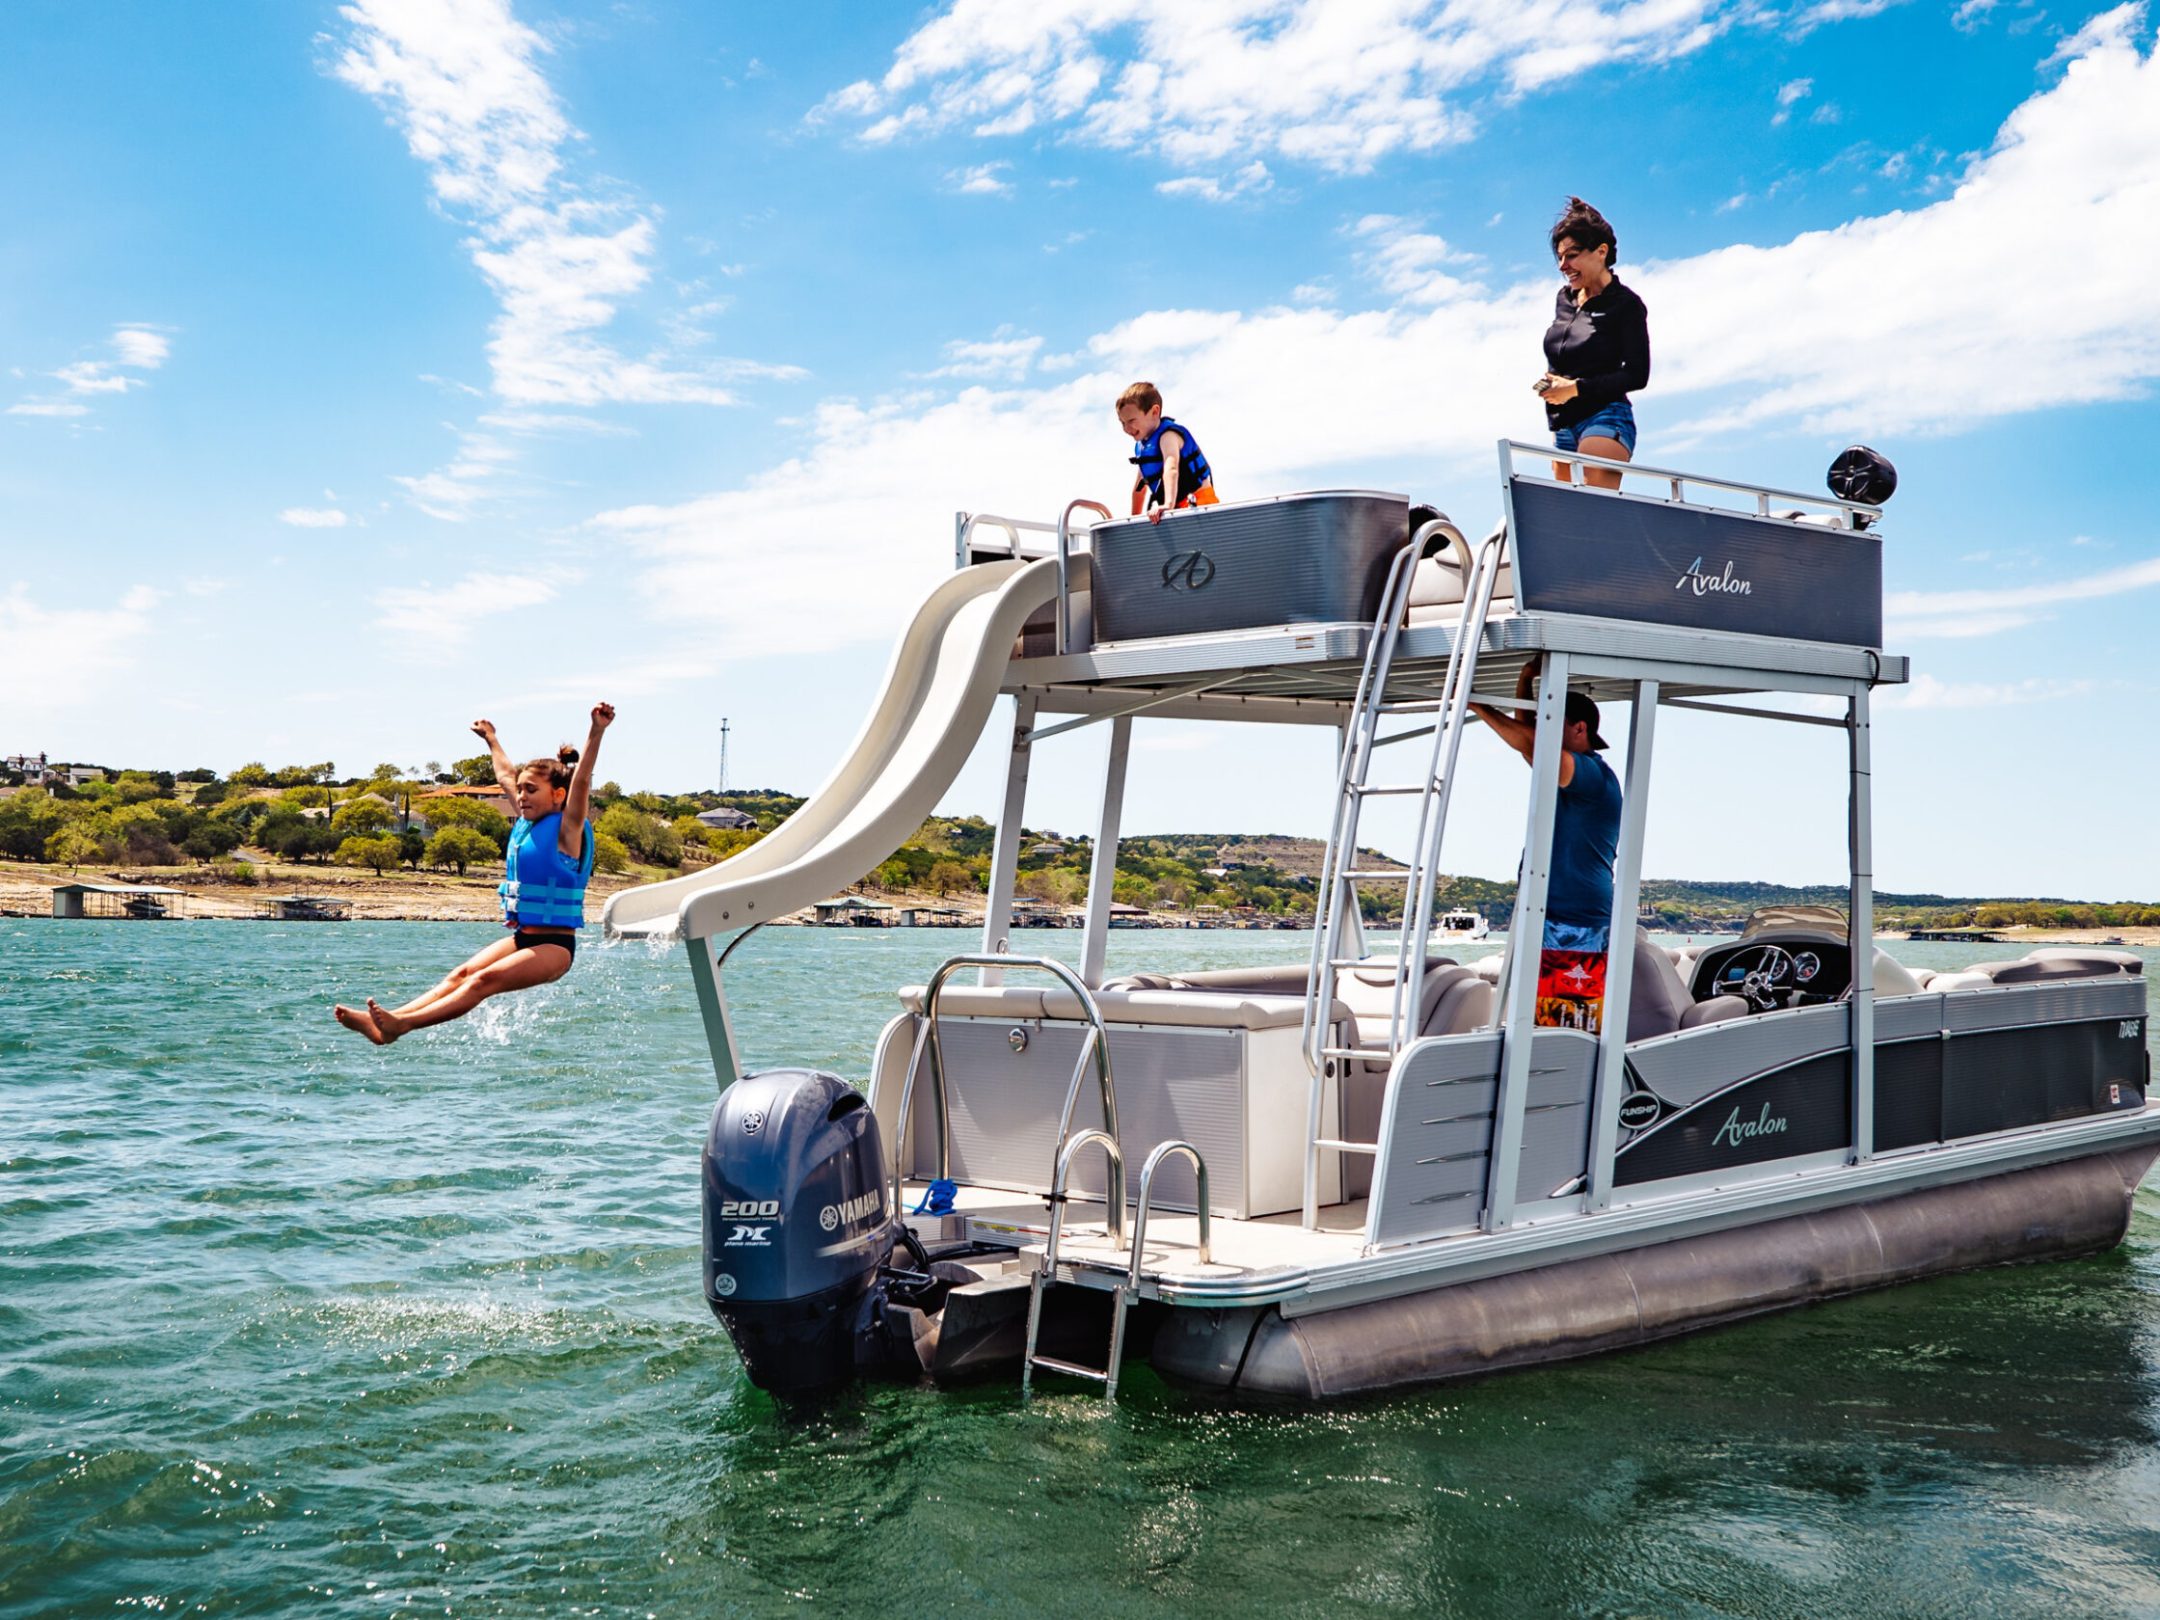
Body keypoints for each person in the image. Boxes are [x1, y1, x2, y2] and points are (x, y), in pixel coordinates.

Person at [334, 703, 613, 1044]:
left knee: (482, 982)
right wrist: (492, 739)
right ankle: (391, 1023)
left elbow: (581, 780)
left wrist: (596, 731)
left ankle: (402, 1025)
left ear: (558, 796)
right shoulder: (528, 823)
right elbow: (504, 775)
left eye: (531, 790)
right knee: (462, 974)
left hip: (555, 946)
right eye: (521, 790)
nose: (521, 796)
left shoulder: (567, 829)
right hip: (524, 937)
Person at [1468, 660, 1622, 1032]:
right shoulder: (1560, 770)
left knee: (1566, 1029)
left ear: (1579, 728)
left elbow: (1533, 744)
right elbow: (1531, 743)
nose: (1542, 730)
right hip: (1544, 916)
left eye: (1554, 724)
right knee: (1534, 1027)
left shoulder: (1591, 775)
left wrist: (1476, 705)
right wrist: (1525, 679)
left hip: (1577, 923)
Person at [1534, 197, 1649, 491]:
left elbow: (1637, 374)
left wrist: (1575, 388)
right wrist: (1552, 385)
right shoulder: (1564, 299)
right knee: (1565, 523)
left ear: (1601, 252)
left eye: (1571, 255)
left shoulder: (1627, 305)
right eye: (1559, 257)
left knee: (1589, 514)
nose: (1563, 265)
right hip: (1562, 426)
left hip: (1606, 418)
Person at [1116, 381, 1220, 524]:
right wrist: (1132, 521)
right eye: (1122, 423)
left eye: (1132, 420)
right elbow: (1139, 489)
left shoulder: (1168, 436)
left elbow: (1171, 468)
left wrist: (1167, 505)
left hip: (1200, 504)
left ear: (1154, 412)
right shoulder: (1143, 448)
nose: (1126, 428)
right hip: (1177, 510)